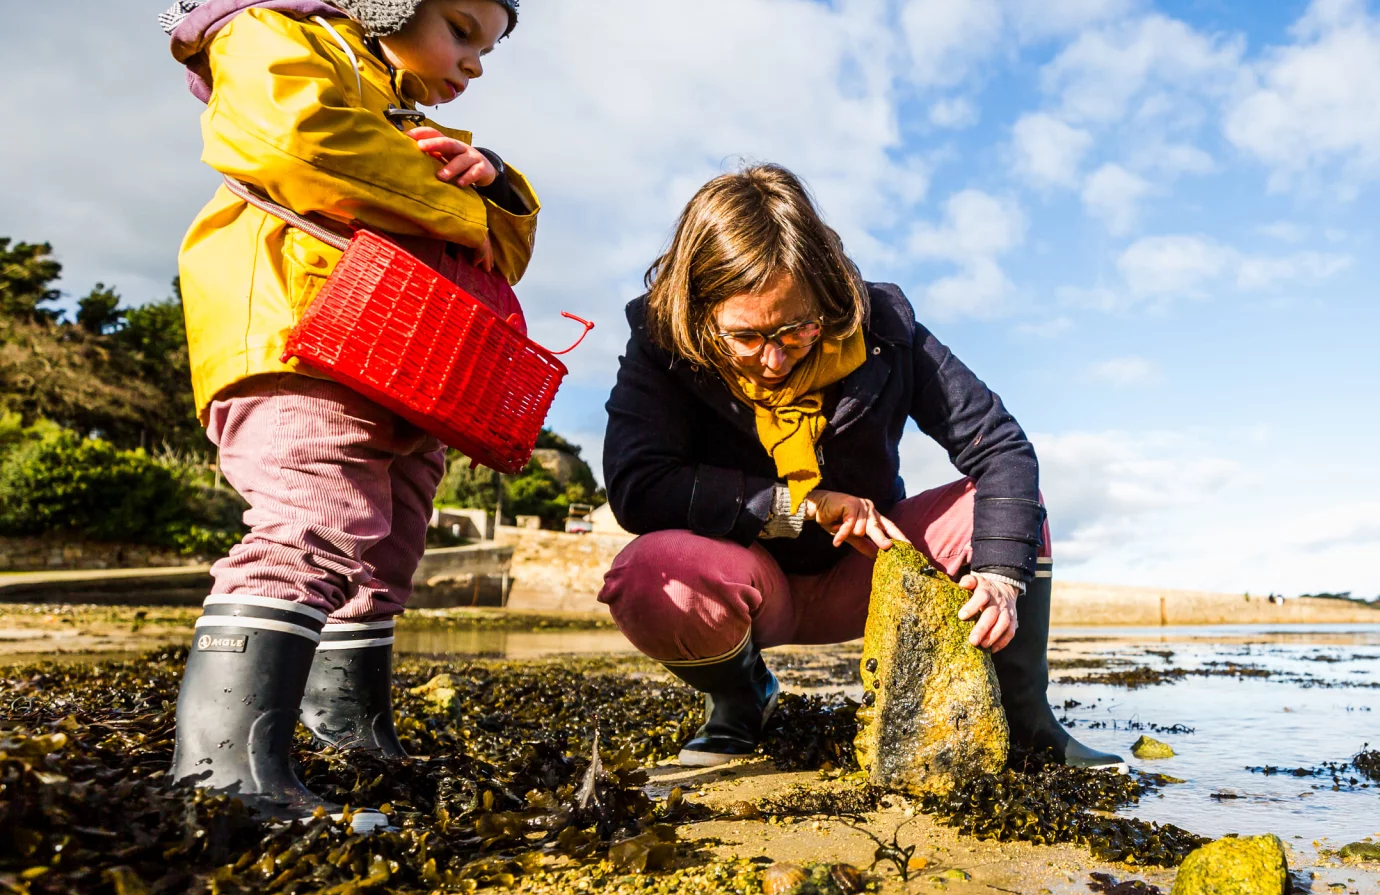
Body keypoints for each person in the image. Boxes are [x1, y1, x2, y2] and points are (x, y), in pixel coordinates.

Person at [597, 165, 1126, 772]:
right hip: (746, 578)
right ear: (698, 313)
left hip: (873, 572)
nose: (773, 359)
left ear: (825, 292)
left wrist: (1002, 579)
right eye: (745, 336)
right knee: (647, 571)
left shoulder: (884, 329)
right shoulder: (665, 346)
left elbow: (1001, 447)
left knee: (1010, 507)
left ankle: (1029, 724)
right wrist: (798, 507)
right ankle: (742, 702)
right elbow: (638, 485)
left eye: (797, 330)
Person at [162, 0, 539, 818]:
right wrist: (460, 208)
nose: (474, 62)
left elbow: (505, 243)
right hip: (300, 334)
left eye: (489, 48)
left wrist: (494, 183)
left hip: (404, 364)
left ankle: (349, 736)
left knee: (390, 548)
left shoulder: (404, 116)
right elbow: (294, 141)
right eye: (464, 31)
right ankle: (226, 774)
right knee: (316, 520)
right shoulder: (268, 35)